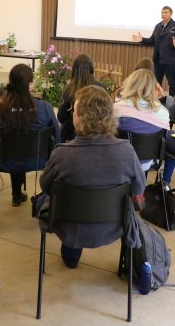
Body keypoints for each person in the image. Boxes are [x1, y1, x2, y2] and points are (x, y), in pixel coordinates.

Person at [39, 85, 145, 268]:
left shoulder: (62, 154)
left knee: (49, 200)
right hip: (113, 226)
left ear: (80, 118)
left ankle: (71, 258)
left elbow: (46, 186)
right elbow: (138, 188)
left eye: (75, 110)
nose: (72, 113)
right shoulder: (126, 151)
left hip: (69, 227)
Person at [0, 64, 61, 206]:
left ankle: (16, 194)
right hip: (40, 159)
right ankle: (45, 198)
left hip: (8, 160)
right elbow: (57, 135)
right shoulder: (45, 107)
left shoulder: (1, 109)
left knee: (16, 146)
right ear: (30, 84)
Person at [113, 69, 170, 171]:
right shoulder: (163, 113)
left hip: (120, 162)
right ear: (154, 88)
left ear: (130, 84)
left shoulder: (117, 108)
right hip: (146, 163)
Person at [132, 6, 175, 97]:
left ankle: (172, 102)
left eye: (165, 12)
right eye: (162, 12)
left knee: (172, 83)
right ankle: (155, 100)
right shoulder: (158, 26)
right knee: (156, 83)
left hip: (170, 61)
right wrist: (142, 39)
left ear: (171, 14)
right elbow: (152, 40)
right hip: (158, 61)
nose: (163, 14)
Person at [57, 54, 104, 142]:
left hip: (72, 138)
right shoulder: (101, 88)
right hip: (98, 136)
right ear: (91, 69)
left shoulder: (68, 89)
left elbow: (61, 117)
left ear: (74, 70)